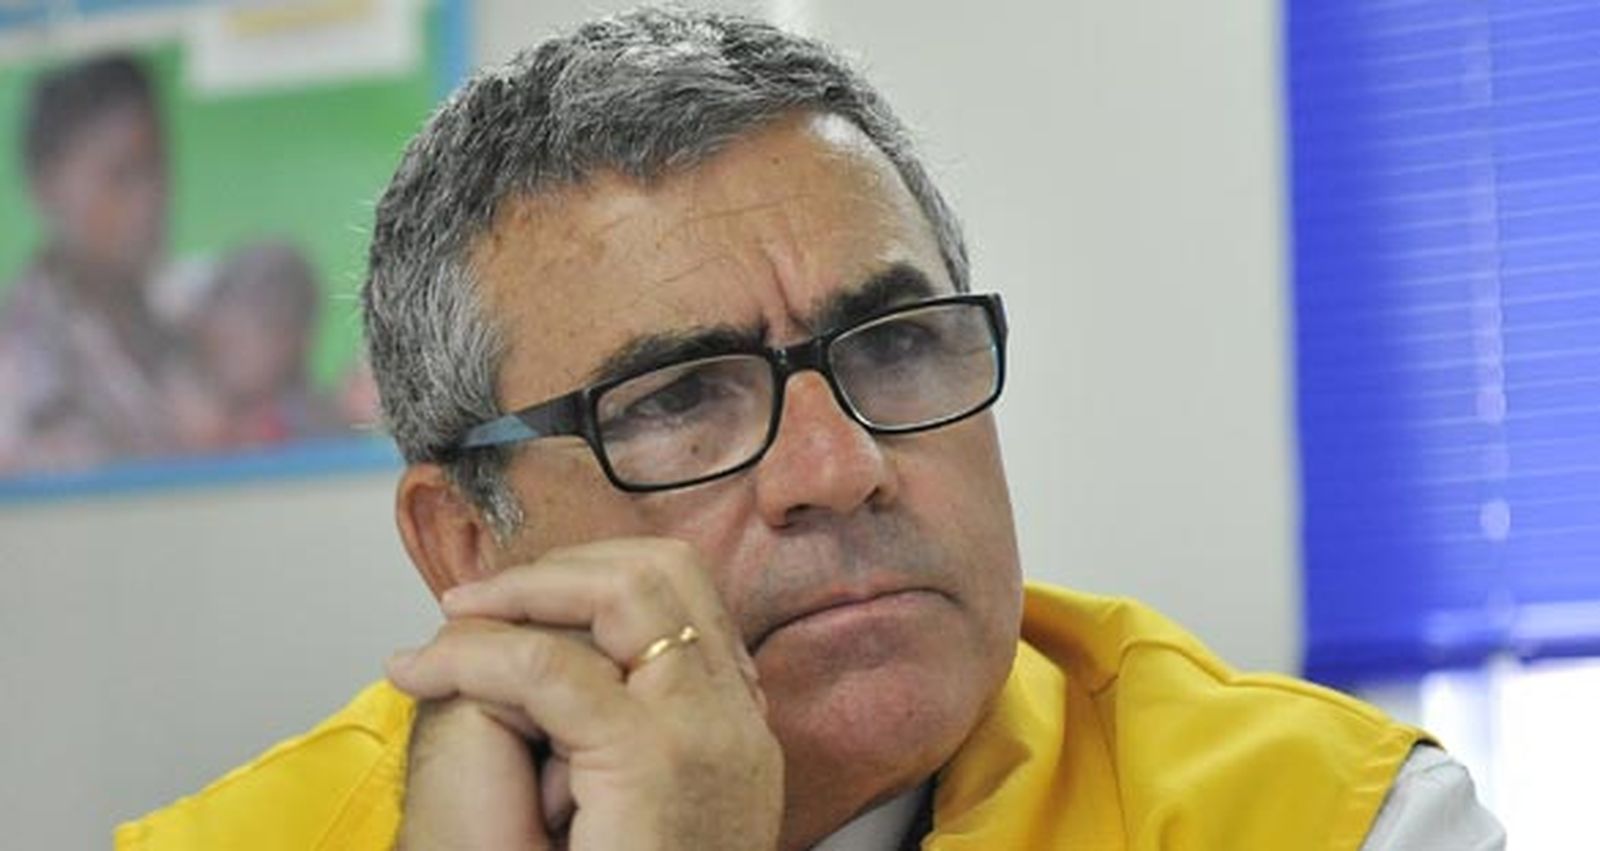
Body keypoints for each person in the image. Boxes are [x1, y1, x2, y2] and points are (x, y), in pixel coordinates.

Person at [115, 8, 1506, 850]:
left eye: (893, 344)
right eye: (677, 398)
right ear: (467, 540)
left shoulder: (1326, 817)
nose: (840, 468)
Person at [0, 54, 195, 473]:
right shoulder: (20, 368)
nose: (150, 199)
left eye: (157, 166)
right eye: (120, 176)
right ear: (47, 188)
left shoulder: (193, 314)